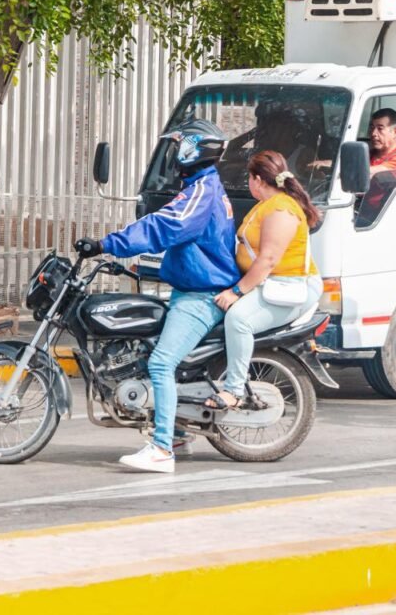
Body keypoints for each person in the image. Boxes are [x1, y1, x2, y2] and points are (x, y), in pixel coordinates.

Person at [75, 118, 238, 474]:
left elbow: (163, 226)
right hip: (190, 288)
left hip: (201, 295)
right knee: (153, 351)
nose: (173, 153)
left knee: (161, 363)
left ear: (194, 148)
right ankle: (179, 432)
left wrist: (107, 244)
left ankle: (163, 448)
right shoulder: (201, 186)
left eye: (178, 145)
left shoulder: (201, 191)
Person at [212, 151, 323, 408]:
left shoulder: (282, 209)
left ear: (257, 179)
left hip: (289, 287)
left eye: (248, 179)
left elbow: (268, 260)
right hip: (269, 283)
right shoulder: (266, 205)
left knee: (239, 320)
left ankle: (235, 390)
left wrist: (236, 292)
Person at [310, 107, 396, 175]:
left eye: (380, 128)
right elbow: (349, 164)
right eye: (371, 127)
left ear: (395, 131)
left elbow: (365, 173)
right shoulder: (369, 154)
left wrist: (332, 167)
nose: (373, 133)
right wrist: (325, 164)